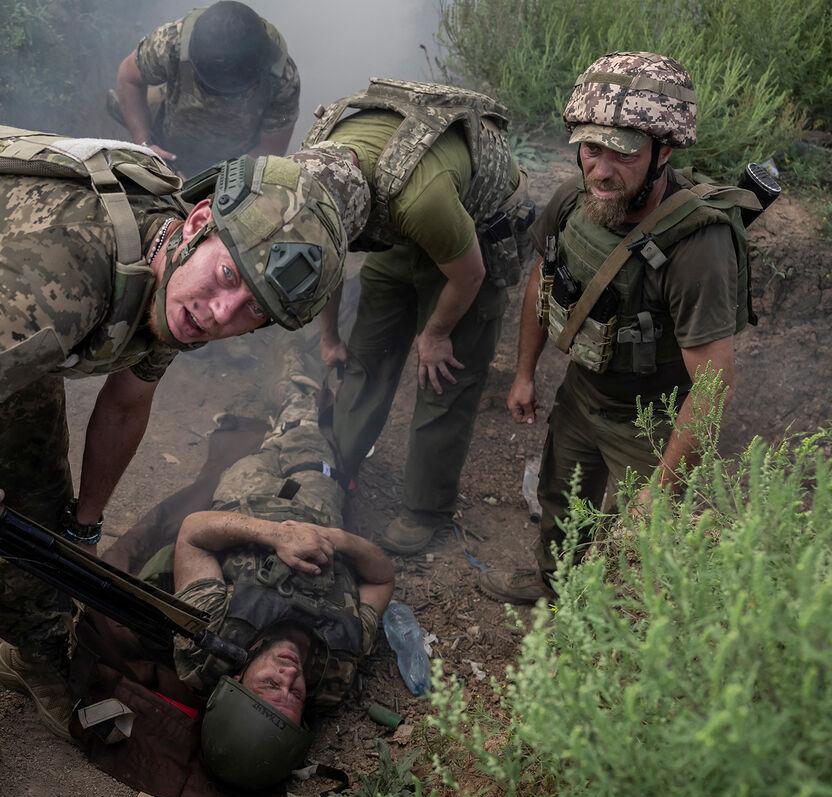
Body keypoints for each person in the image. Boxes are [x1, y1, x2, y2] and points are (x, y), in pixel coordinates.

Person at [0, 123, 349, 797]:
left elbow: (125, 401)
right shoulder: (64, 282)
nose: (221, 311)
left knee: (41, 502)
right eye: (229, 277)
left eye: (250, 311)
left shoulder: (183, 282)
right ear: (199, 222)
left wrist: (85, 523)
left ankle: (32, 649)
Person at [477, 52, 758, 604]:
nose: (600, 170)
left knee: (640, 556)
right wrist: (525, 372)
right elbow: (542, 281)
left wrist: (664, 484)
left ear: (664, 151)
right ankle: (554, 587)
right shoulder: (571, 202)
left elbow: (715, 384)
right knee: (562, 501)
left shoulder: (698, 248)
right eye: (590, 148)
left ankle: (611, 648)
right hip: (583, 393)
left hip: (651, 421)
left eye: (622, 154)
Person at [66, 340, 395, 796]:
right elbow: (382, 577)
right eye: (295, 696)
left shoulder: (209, 641)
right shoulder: (335, 668)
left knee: (264, 431)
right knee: (307, 426)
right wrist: (332, 539)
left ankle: (274, 354)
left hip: (248, 494)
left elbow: (194, 532)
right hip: (319, 501)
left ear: (237, 679)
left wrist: (276, 534)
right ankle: (296, 377)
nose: (288, 677)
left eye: (268, 687)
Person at [300, 77, 533, 556]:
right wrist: (329, 336)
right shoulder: (305, 180)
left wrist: (437, 333)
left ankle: (425, 508)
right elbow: (325, 257)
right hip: (399, 225)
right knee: (367, 355)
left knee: (443, 374)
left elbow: (468, 275)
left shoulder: (418, 199)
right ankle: (337, 471)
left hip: (474, 233)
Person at [108, 1, 300, 177]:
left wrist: (218, 184)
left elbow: (268, 148)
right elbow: (129, 77)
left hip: (236, 154)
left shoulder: (282, 78)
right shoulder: (171, 42)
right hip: (172, 120)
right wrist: (145, 145)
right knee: (130, 106)